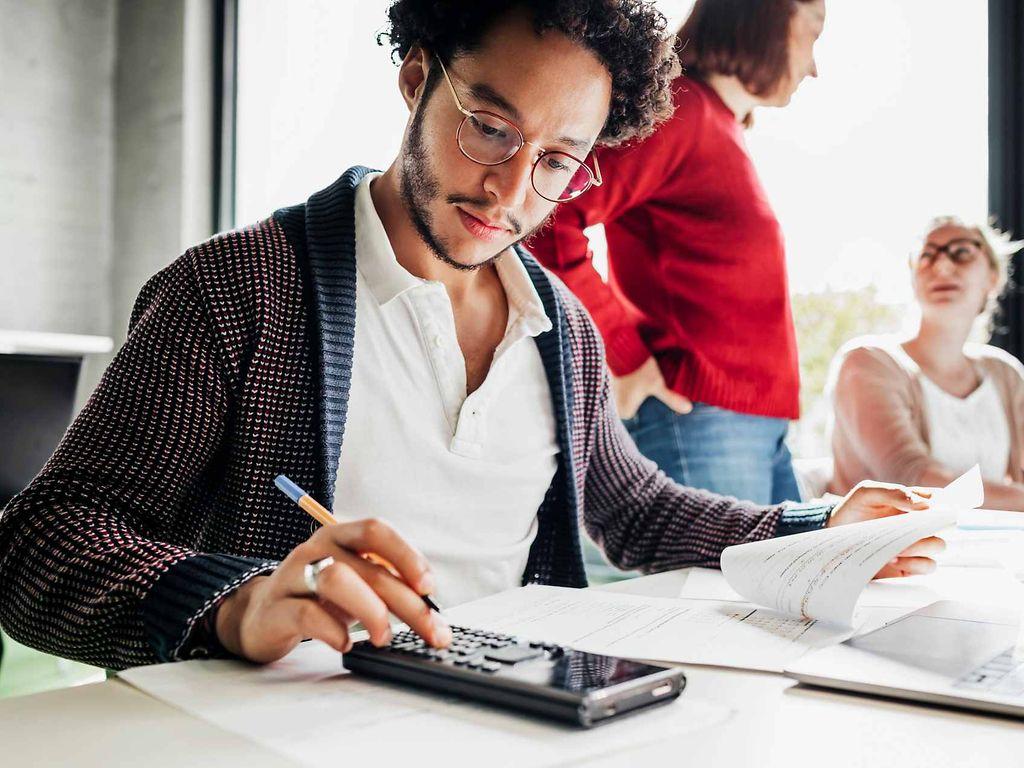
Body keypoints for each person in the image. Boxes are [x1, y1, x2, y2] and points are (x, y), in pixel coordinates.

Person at [0, 1, 938, 672]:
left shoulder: (559, 327)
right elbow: (40, 539)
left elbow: (635, 509)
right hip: (278, 731)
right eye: (489, 128)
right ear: (416, 77)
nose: (509, 190)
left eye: (558, 163)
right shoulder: (235, 288)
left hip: (508, 721)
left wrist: (814, 526)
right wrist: (235, 604)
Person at [528, 0, 826, 505]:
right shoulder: (681, 111)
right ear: (764, 23)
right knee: (717, 588)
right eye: (812, 35)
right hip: (701, 418)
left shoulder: (715, 123)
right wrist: (626, 355)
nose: (814, 67)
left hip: (751, 425)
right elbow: (548, 217)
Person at [829, 216, 1024, 510]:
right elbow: (915, 483)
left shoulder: (1005, 373)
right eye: (927, 255)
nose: (942, 266)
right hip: (894, 552)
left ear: (992, 278)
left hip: (995, 547)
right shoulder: (868, 362)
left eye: (962, 252)